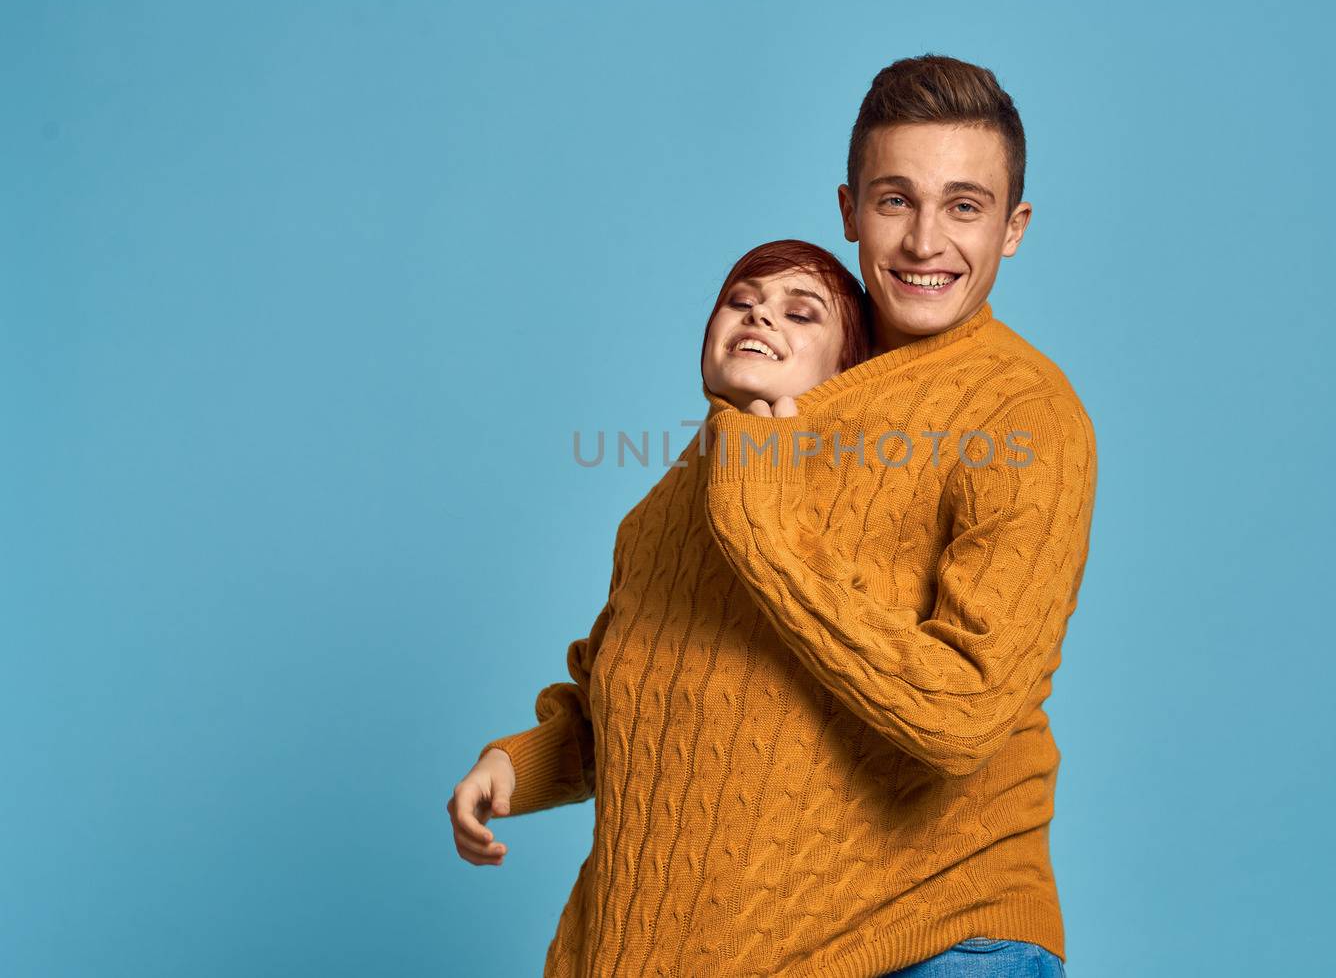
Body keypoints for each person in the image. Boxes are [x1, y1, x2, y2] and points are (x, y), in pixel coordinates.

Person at [449, 55, 1097, 978]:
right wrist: (524, 761)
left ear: (1013, 228)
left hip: (942, 935)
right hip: (753, 942)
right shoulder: (703, 477)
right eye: (894, 200)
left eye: (964, 206)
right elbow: (659, 690)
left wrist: (762, 529)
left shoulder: (1021, 415)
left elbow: (963, 712)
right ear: (848, 211)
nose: (923, 242)